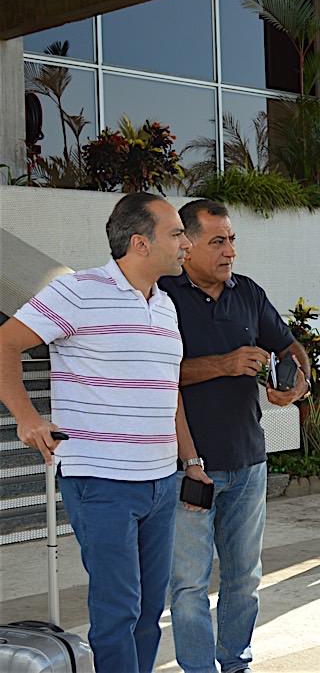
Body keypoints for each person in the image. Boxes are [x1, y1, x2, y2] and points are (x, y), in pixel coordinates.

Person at [0, 193, 206, 672]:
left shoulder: (166, 305)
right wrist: (27, 417)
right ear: (140, 243)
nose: (186, 244)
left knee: (149, 613)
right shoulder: (76, 291)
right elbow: (5, 343)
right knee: (118, 612)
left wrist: (190, 460)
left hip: (160, 481)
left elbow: (166, 389)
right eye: (177, 234)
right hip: (101, 481)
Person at [160, 199, 311, 673]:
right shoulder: (160, 295)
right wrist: (223, 365)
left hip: (248, 462)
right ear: (186, 246)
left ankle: (235, 663)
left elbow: (291, 349)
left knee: (244, 579)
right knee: (189, 584)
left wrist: (295, 384)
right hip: (187, 467)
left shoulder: (247, 292)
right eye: (218, 241)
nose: (230, 251)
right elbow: (153, 374)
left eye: (232, 240)